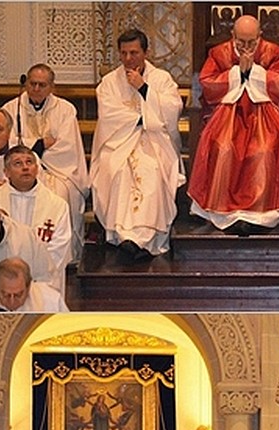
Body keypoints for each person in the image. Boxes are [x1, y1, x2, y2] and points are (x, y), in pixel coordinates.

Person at [188, 14, 279, 233]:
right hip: (227, 114)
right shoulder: (219, 53)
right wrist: (237, 72)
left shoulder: (273, 52)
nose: (246, 47)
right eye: (241, 42)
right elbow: (207, 83)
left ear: (260, 36)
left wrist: (254, 72)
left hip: (264, 115)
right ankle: (224, 212)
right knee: (223, 147)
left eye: (251, 42)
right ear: (233, 35)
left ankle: (260, 215)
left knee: (265, 150)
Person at [90, 29, 185, 263]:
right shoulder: (109, 82)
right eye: (124, 53)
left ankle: (146, 238)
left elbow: (172, 110)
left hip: (154, 143)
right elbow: (109, 115)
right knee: (118, 171)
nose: (128, 59)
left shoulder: (161, 79)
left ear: (146, 52)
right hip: (119, 143)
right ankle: (122, 236)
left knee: (151, 171)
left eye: (134, 52)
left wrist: (143, 88)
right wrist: (142, 117)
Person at [3, 63, 90, 260]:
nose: (36, 89)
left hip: (57, 170)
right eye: (32, 83)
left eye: (42, 85)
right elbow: (9, 143)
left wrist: (30, 148)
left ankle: (62, 256)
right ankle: (18, 252)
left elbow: (67, 147)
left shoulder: (65, 109)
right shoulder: (10, 108)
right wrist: (41, 144)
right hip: (21, 169)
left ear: (52, 87)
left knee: (60, 196)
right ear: (26, 83)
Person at [0, 145, 72, 293]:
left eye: (29, 162)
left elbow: (59, 249)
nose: (25, 167)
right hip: (1, 281)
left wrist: (29, 275)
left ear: (37, 169)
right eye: (18, 163)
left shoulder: (57, 205)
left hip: (44, 282)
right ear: (6, 172)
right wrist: (11, 274)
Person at [0, 256, 69, 312]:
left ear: (29, 286)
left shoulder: (52, 302)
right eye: (5, 295)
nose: (11, 302)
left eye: (18, 295)